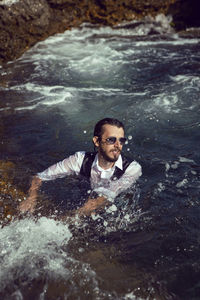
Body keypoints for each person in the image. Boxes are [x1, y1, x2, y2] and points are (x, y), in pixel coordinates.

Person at [19, 118, 142, 216]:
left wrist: (69, 219)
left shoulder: (132, 168)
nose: (117, 145)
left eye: (121, 140)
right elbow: (40, 177)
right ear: (96, 141)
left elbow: (108, 195)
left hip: (115, 211)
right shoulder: (80, 159)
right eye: (111, 140)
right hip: (83, 196)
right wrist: (31, 197)